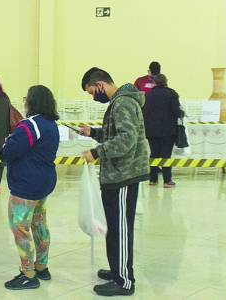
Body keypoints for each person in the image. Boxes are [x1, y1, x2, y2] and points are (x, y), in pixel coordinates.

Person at [78, 67, 149, 297]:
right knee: (116, 227)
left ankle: (124, 282)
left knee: (120, 229)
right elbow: (115, 133)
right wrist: (93, 132)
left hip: (123, 175)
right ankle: (118, 269)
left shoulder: (123, 103)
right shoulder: (120, 102)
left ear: (99, 84)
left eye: (91, 92)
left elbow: (126, 140)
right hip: (118, 174)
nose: (93, 96)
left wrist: (96, 152)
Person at [0, 85, 60, 290]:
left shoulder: (30, 124)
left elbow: (10, 150)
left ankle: (27, 273)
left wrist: (5, 145)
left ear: (32, 102)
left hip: (26, 184)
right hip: (44, 183)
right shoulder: (51, 124)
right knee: (39, 224)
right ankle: (42, 266)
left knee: (20, 227)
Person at [142, 74, 183, 187]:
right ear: (166, 82)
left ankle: (153, 179)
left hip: (151, 130)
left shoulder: (147, 95)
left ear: (154, 83)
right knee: (166, 155)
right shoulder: (171, 93)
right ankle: (167, 180)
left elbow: (143, 112)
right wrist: (182, 114)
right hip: (168, 131)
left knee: (154, 154)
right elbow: (177, 111)